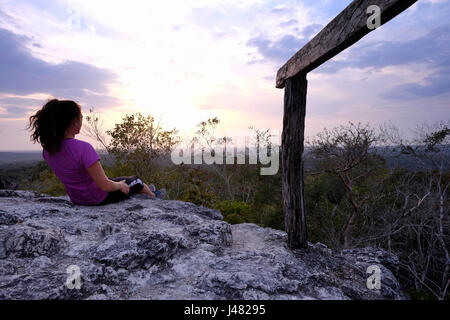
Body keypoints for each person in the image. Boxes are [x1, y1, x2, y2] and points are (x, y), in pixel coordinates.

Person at [27, 99, 166, 206]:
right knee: (136, 180)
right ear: (75, 121)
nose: (82, 120)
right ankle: (154, 197)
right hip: (99, 199)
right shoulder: (83, 148)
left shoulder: (48, 151)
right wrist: (121, 186)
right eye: (81, 117)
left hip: (78, 199)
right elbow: (105, 185)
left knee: (117, 179)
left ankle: (148, 191)